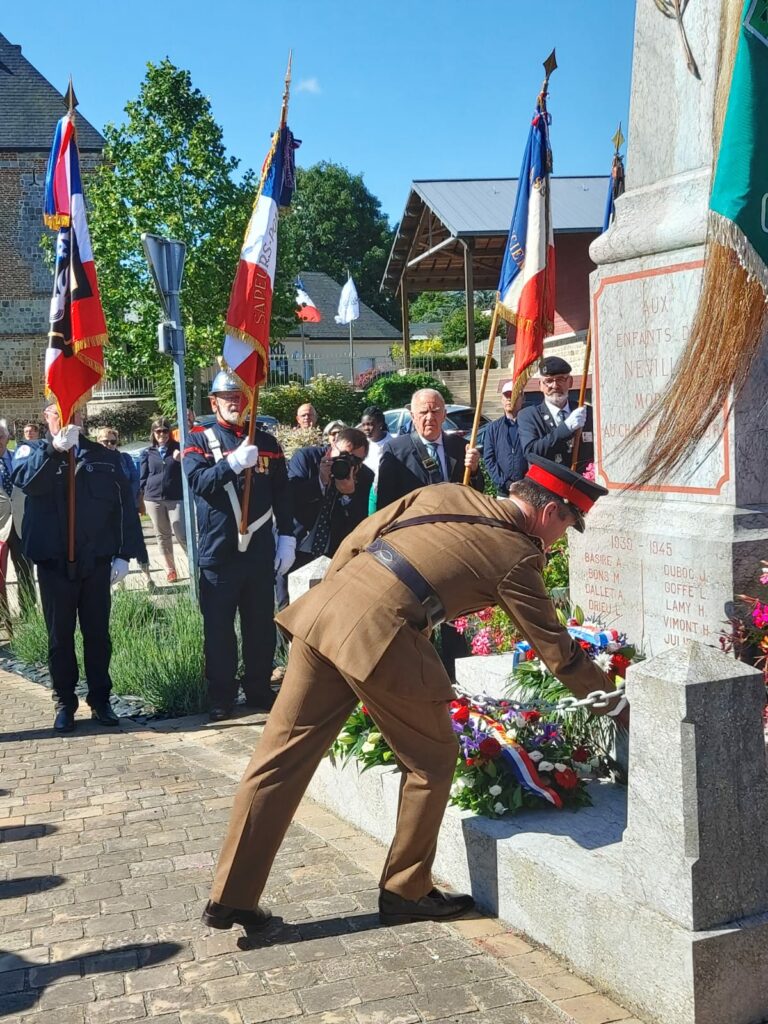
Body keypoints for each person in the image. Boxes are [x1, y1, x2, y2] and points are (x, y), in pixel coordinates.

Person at [201, 457, 623, 932]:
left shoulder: (445, 492)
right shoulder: (518, 557)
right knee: (432, 760)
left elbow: (356, 539)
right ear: (553, 514)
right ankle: (407, 889)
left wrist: (343, 604)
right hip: (384, 636)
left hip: (325, 613)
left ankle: (231, 896)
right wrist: (618, 707)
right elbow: (560, 655)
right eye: (568, 526)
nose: (561, 538)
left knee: (278, 757)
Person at [12, 403, 144, 733]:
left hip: (96, 561)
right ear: (47, 418)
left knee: (98, 636)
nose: (69, 419)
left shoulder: (104, 456)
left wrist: (125, 554)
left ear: (83, 417)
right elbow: (24, 483)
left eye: (75, 412)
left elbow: (124, 508)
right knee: (60, 638)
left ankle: (101, 699)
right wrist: (54, 450)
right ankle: (64, 703)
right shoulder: (31, 451)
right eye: (59, 413)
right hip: (54, 562)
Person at [183, 368, 295, 721]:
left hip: (259, 549)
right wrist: (231, 464)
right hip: (219, 551)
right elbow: (198, 482)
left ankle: (260, 690)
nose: (235, 403)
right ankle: (222, 695)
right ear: (213, 402)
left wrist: (287, 537)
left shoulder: (268, 442)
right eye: (228, 398)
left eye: (240, 397)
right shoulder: (199, 439)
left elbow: (282, 494)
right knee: (218, 630)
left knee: (260, 626)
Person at [377, 388, 483, 677]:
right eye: (423, 411)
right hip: (416, 550)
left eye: (435, 411)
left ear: (444, 414)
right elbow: (388, 508)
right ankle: (423, 676)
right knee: (420, 619)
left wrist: (473, 471)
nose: (430, 417)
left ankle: (457, 675)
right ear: (412, 416)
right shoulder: (396, 450)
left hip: (455, 548)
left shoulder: (459, 447)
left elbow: (476, 498)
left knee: (455, 614)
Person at [287, 427, 373, 573]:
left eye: (356, 460)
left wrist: (349, 495)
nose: (349, 463)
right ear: (332, 446)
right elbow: (288, 498)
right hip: (295, 546)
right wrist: (320, 481)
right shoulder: (307, 458)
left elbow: (362, 524)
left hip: (333, 555)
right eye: (344, 455)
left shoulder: (365, 476)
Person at [96, 426, 152, 589]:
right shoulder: (95, 460)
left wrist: (129, 498)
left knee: (138, 544)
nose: (109, 445)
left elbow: (135, 480)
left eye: (112, 442)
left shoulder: (125, 459)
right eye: (105, 441)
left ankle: (148, 578)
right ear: (98, 441)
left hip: (127, 508)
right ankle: (119, 585)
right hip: (107, 511)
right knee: (112, 546)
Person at [516, 357, 594, 472]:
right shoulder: (529, 416)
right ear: (540, 385)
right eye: (548, 381)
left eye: (561, 379)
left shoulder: (586, 412)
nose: (554, 385)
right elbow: (531, 453)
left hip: (582, 485)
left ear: (570, 382)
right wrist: (566, 428)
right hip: (548, 487)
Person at [140, 418, 188, 583]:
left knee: (181, 532)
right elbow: (143, 477)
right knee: (162, 535)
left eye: (165, 431)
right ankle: (170, 570)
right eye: (158, 431)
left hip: (175, 497)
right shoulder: (147, 452)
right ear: (153, 433)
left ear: (170, 432)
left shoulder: (178, 449)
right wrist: (143, 494)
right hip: (153, 499)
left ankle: (196, 565)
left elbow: (190, 469)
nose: (162, 434)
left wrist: (181, 460)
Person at [0, 422, 36, 618]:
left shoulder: (19, 458)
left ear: (7, 438)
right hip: (0, 527)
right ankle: (3, 616)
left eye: (0, 436)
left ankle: (29, 613)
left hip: (22, 524)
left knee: (26, 572)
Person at [482, 381, 528, 497]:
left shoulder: (530, 425)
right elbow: (489, 459)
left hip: (528, 491)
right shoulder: (493, 428)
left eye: (513, 395)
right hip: (503, 493)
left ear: (522, 398)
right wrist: (505, 483)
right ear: (501, 400)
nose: (509, 399)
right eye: (506, 396)